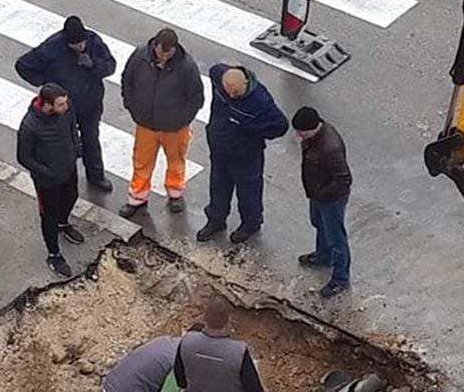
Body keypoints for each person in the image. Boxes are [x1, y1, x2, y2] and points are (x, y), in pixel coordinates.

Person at [15, 15, 116, 194]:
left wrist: (93, 65)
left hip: (90, 103)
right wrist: (46, 84)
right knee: (64, 143)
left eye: (82, 43)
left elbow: (110, 66)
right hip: (61, 109)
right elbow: (23, 65)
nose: (81, 47)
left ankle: (96, 176)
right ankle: (68, 178)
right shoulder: (51, 48)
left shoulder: (93, 41)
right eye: (75, 45)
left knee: (91, 139)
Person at [196, 65, 288, 244]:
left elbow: (280, 125)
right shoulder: (218, 75)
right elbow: (214, 69)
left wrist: (252, 131)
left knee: (248, 193)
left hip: (246, 156)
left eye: (236, 93)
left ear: (246, 82)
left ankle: (251, 223)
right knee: (218, 187)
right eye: (228, 91)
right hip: (220, 149)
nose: (231, 96)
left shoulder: (260, 101)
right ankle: (216, 219)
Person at [119, 28, 204, 218]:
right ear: (155, 45)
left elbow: (196, 97)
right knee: (141, 161)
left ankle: (175, 192)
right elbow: (127, 80)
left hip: (175, 127)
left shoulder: (186, 66)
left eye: (169, 52)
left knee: (176, 161)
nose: (165, 56)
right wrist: (131, 105)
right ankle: (137, 198)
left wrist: (182, 121)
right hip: (146, 123)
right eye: (162, 51)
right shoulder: (140, 56)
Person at [16, 83, 85, 279]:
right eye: (60, 105)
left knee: (72, 196)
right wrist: (47, 172)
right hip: (47, 181)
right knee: (49, 216)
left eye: (65, 103)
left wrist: (76, 147)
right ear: (47, 105)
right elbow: (24, 156)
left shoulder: (67, 110)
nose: (66, 107)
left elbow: (73, 127)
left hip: (68, 168)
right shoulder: (30, 125)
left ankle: (64, 224)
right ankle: (54, 254)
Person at [291, 107, 353, 299]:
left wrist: (323, 194)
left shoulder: (330, 148)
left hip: (330, 199)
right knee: (318, 224)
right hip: (318, 194)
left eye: (301, 132)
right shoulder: (314, 138)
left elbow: (344, 179)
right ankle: (323, 256)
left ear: (311, 128)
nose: (298, 136)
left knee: (336, 238)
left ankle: (340, 279)